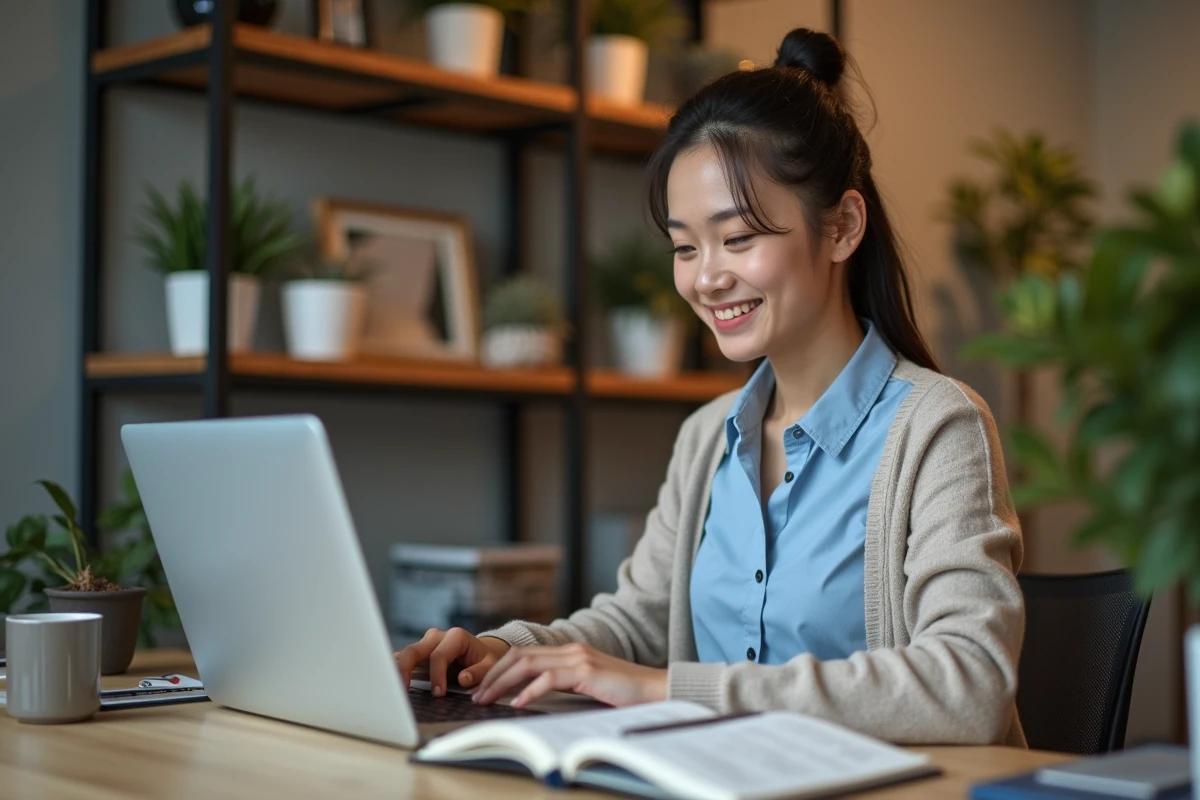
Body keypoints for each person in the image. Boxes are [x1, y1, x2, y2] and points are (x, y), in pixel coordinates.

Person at [395, 27, 1025, 747]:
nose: (705, 277)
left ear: (845, 225)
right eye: (685, 246)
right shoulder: (707, 436)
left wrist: (671, 688)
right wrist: (503, 651)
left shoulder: (938, 426)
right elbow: (636, 623)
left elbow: (969, 683)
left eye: (739, 237)